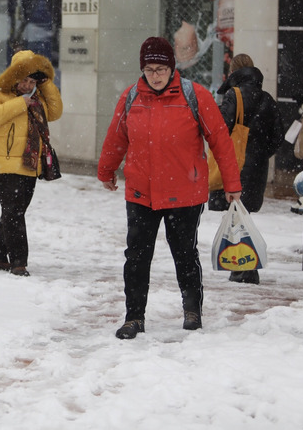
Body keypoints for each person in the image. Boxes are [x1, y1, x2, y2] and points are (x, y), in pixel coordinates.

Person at [98, 37, 242, 339]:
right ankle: (134, 317)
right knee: (136, 256)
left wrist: (232, 183)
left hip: (184, 193)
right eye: (149, 69)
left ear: (171, 67)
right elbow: (116, 138)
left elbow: (220, 140)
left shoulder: (194, 96)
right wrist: (106, 170)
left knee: (184, 254)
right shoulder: (131, 97)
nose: (155, 74)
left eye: (161, 68)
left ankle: (192, 312)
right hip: (141, 192)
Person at [0, 50, 63, 277]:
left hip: (28, 164)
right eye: (24, 79)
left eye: (32, 80)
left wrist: (45, 85)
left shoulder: (37, 98)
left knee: (13, 211)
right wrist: (19, 104)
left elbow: (55, 112)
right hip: (2, 164)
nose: (28, 85)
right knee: (14, 212)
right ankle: (19, 263)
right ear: (14, 75)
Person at [208, 54, 284, 285]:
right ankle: (243, 266)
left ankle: (243, 267)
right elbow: (278, 136)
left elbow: (220, 129)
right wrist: (259, 154)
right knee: (242, 215)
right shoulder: (267, 98)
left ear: (234, 71)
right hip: (256, 166)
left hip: (235, 164)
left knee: (235, 216)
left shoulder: (234, 95)